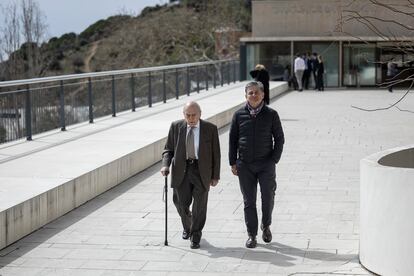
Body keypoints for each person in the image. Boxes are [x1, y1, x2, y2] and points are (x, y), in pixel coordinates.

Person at [229, 81, 285, 248]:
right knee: (249, 201)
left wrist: (274, 159)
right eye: (250, 93)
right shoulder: (238, 115)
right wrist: (233, 162)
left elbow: (280, 138)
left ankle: (266, 225)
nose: (253, 95)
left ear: (263, 95)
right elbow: (232, 140)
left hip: (266, 164)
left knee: (268, 197)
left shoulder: (271, 114)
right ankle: (251, 234)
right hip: (245, 164)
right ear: (246, 96)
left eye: (256, 93)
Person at [161, 101, 221, 249]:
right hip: (182, 169)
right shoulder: (176, 127)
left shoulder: (210, 129)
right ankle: (187, 226)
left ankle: (195, 235)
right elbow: (168, 149)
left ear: (200, 114)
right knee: (180, 203)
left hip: (201, 171)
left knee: (199, 206)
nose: (191, 118)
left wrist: (215, 176)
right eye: (188, 115)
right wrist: (165, 165)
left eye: (194, 115)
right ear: (184, 115)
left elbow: (216, 154)